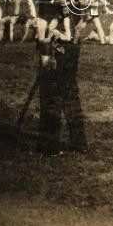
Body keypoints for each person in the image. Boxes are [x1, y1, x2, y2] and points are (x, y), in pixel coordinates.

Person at [37, 19, 87, 156]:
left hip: (60, 47)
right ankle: (78, 144)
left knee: (53, 96)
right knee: (68, 96)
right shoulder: (71, 11)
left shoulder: (59, 11)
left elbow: (93, 10)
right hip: (67, 46)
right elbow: (93, 10)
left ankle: (51, 146)